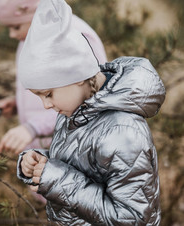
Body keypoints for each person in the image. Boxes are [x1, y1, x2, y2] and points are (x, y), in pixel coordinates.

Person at [16, 0, 165, 224]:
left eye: (48, 94)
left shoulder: (123, 132)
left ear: (76, 78)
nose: (46, 105)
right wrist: (42, 162)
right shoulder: (76, 111)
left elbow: (133, 218)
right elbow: (83, 168)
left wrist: (57, 180)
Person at [0, 0, 107, 155]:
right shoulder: (29, 39)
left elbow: (92, 98)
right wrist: (18, 104)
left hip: (75, 150)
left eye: (16, 26)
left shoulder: (75, 38)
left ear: (34, 13)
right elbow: (51, 86)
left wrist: (34, 127)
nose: (12, 34)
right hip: (46, 153)